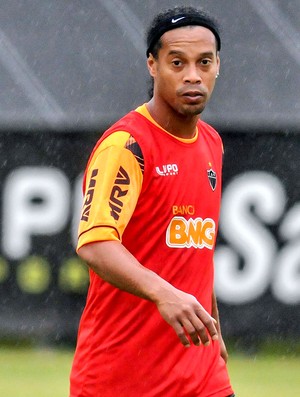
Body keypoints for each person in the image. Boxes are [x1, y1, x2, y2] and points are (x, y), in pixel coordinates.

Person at [70, 5, 235, 397]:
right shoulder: (127, 144)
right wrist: (164, 293)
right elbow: (95, 243)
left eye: (203, 62)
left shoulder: (212, 142)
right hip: (122, 379)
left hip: (202, 376)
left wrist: (214, 327)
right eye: (177, 62)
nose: (192, 75)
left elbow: (197, 250)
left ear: (217, 67)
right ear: (152, 65)